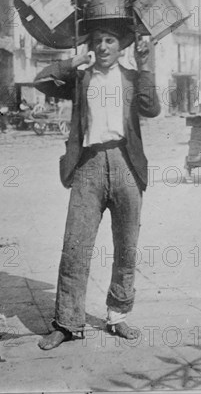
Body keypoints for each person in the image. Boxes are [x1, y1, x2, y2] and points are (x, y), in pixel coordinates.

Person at [34, 26, 160, 350]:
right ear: (90, 46)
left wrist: (146, 65)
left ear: (121, 47)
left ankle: (118, 316)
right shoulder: (82, 79)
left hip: (125, 163)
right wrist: (73, 61)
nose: (103, 46)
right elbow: (42, 80)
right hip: (88, 165)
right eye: (97, 41)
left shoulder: (131, 78)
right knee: (75, 245)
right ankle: (66, 322)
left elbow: (151, 107)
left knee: (126, 246)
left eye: (110, 40)